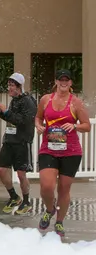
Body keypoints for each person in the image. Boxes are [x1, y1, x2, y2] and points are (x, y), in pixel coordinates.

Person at [35, 69, 90, 237]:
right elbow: (38, 117)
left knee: (64, 189)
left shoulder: (76, 103)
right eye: (61, 79)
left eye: (67, 80)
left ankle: (59, 221)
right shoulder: (46, 99)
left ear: (71, 83)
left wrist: (74, 126)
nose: (64, 82)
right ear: (56, 81)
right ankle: (50, 209)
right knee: (47, 186)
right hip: (49, 148)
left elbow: (87, 125)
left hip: (70, 151)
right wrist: (38, 125)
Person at [0, 73, 37, 214]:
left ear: (19, 87)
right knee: (1, 170)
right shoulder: (14, 100)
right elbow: (12, 119)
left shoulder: (28, 101)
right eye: (9, 85)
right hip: (9, 140)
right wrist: (2, 112)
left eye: (12, 85)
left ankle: (26, 201)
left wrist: (6, 111)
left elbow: (24, 121)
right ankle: (13, 196)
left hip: (22, 141)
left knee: (21, 173)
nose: (9, 88)